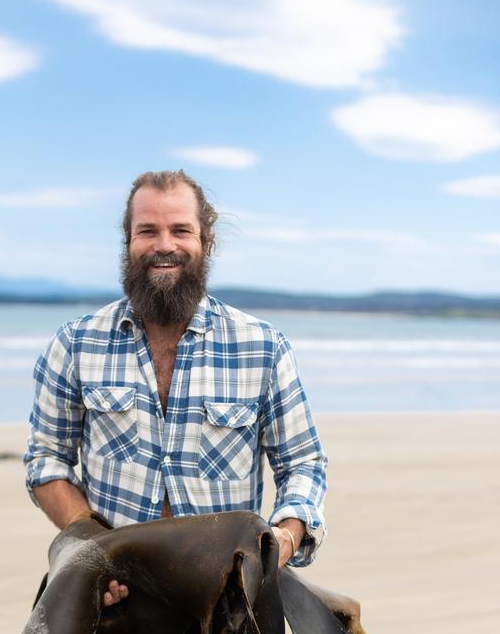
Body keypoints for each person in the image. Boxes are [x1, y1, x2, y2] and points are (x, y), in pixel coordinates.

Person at [24, 170, 327, 605]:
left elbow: (304, 463)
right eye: (147, 230)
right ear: (128, 241)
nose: (164, 244)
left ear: (206, 241)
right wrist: (91, 547)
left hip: (227, 600)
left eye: (180, 230)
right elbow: (45, 460)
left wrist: (283, 541)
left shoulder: (262, 347)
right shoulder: (75, 344)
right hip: (111, 599)